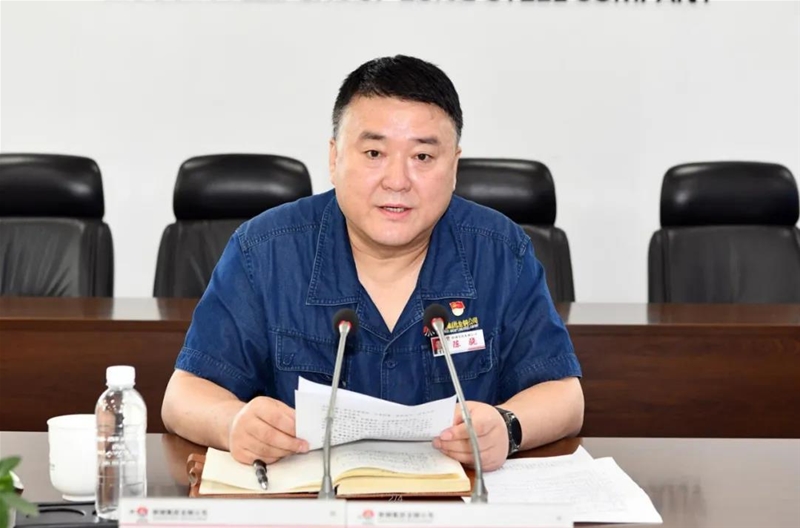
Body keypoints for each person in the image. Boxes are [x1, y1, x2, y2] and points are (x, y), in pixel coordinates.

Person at [162, 55, 583, 472]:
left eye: (422, 157)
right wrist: (234, 424)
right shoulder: (265, 251)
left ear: (454, 166)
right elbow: (184, 395)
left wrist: (508, 426)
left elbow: (564, 395)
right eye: (374, 152)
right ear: (334, 159)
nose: (397, 181)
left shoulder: (500, 251)